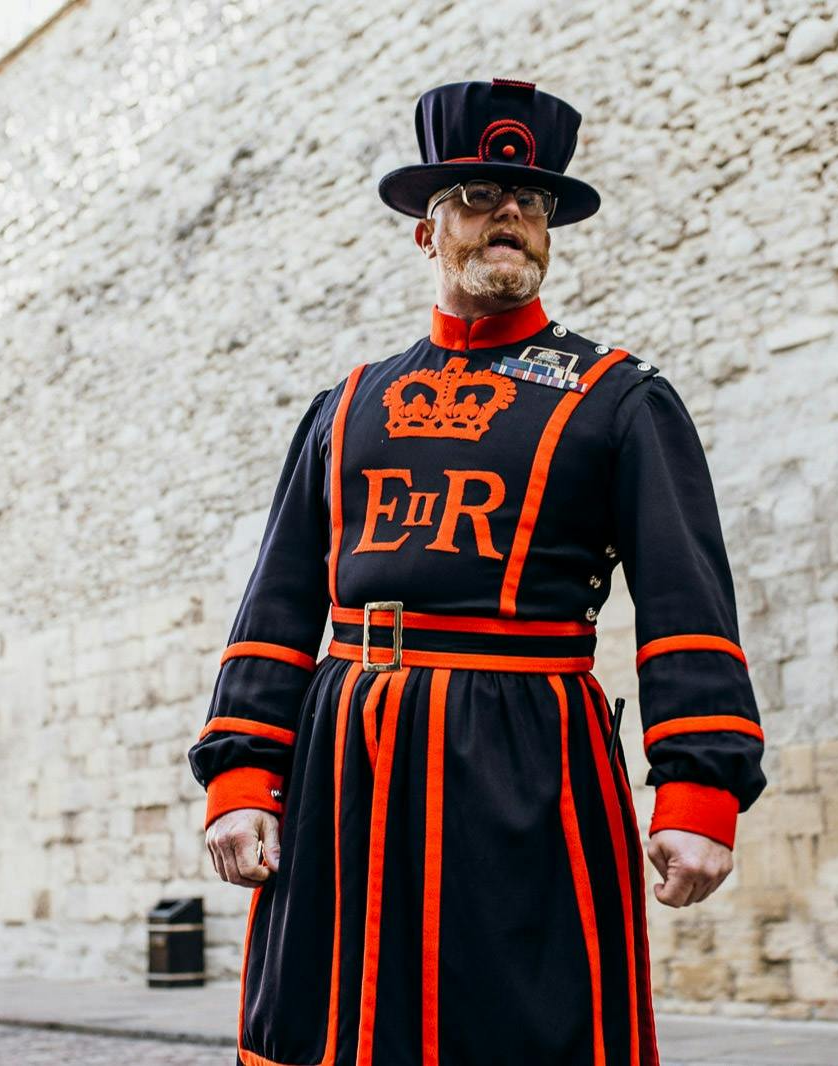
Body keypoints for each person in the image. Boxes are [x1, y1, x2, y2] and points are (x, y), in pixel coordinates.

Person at [188, 78, 766, 1066]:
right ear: (426, 230)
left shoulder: (618, 398)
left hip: (524, 762)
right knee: (327, 1028)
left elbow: (686, 600)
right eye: (477, 196)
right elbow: (279, 600)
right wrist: (242, 769)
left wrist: (697, 790)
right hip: (345, 769)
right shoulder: (346, 404)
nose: (509, 215)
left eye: (530, 203)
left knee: (519, 1027)